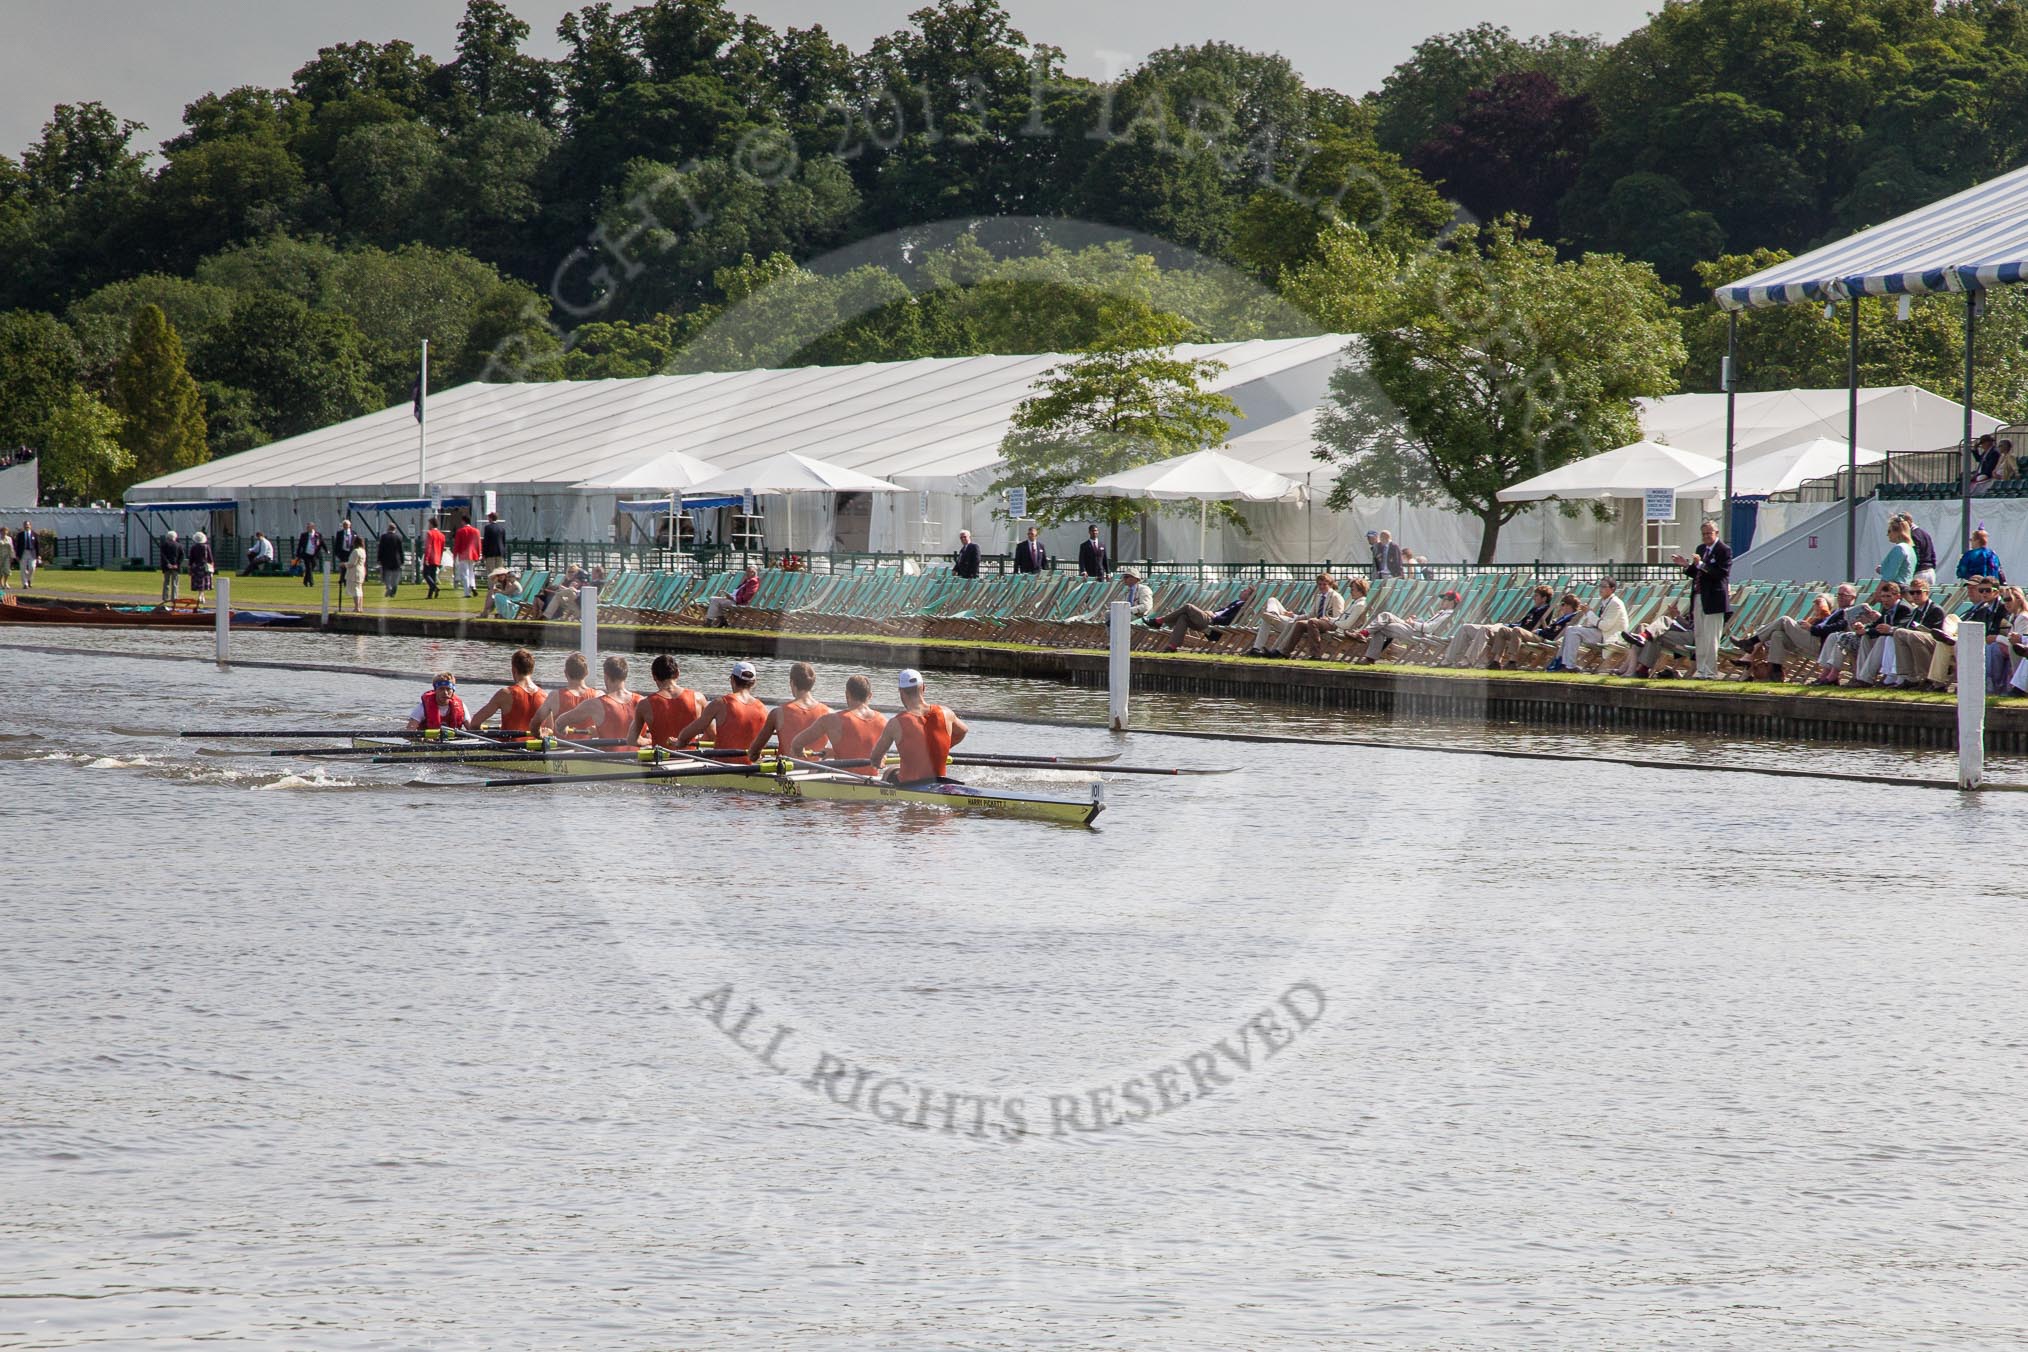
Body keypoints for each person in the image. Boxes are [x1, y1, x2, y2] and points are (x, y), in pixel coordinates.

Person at [867, 668, 968, 785]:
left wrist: (879, 762)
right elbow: (963, 731)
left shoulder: (895, 723)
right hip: (940, 782)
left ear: (901, 692)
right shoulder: (946, 713)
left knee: (889, 771)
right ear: (924, 687)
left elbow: (875, 758)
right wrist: (940, 749)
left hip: (909, 785)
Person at [1735, 588, 1846, 681]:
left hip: (1818, 644)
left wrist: (1811, 627)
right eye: (1815, 605)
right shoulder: (1816, 618)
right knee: (1777, 635)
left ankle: (1751, 642)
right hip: (1804, 643)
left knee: (1784, 620)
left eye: (1818, 604)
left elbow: (1830, 629)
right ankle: (1776, 672)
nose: (1815, 607)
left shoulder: (1837, 615)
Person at [788, 674, 888, 773]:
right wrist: (835, 753)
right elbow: (864, 749)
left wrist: (799, 751)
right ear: (870, 695)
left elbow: (796, 743)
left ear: (847, 694)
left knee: (813, 770)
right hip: (873, 782)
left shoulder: (831, 720)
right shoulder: (884, 721)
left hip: (843, 781)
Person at [675, 661, 769, 764]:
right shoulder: (763, 709)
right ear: (754, 682)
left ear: (732, 680)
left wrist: (679, 741)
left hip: (721, 766)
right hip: (750, 768)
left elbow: (686, 736)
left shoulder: (720, 703)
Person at [1672, 520, 1732, 679]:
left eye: (1709, 533)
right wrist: (1686, 565)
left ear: (1716, 533)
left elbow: (1720, 574)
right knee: (1700, 635)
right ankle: (1701, 669)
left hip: (1714, 599)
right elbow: (1697, 574)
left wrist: (1701, 564)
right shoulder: (1700, 549)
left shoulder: (1723, 550)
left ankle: (1711, 671)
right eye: (1704, 534)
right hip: (1698, 596)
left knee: (1711, 635)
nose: (1706, 536)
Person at [1447, 584, 1551, 668]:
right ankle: (1447, 660)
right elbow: (1522, 623)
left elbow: (1528, 627)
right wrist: (1506, 624)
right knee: (1465, 627)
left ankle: (1469, 660)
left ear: (1544, 598)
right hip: (1510, 628)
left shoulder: (1545, 610)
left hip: (1521, 633)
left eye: (1536, 596)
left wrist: (1508, 626)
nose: (1533, 598)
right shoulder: (1534, 609)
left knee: (1485, 629)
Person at [1864, 578, 1942, 687]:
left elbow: (1932, 632)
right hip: (1916, 639)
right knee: (1895, 634)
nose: (1915, 595)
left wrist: (1892, 630)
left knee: (1898, 634)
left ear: (1927, 593)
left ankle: (1901, 676)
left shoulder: (1935, 610)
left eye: (1918, 592)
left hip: (1933, 643)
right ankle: (1901, 676)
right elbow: (1904, 626)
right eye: (1912, 592)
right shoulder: (1916, 610)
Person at [748, 661, 831, 761]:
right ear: (812, 683)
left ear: (792, 683)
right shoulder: (829, 713)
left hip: (786, 772)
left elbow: (753, 753)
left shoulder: (777, 714)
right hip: (815, 773)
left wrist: (758, 757)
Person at [1358, 589, 1461, 664]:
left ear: (1452, 602)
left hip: (1419, 634)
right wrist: (1414, 621)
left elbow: (1429, 629)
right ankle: (1365, 639)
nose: (1442, 601)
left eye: (1445, 599)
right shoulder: (1443, 612)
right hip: (1414, 630)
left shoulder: (1448, 614)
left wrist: (1412, 623)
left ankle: (1368, 649)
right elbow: (1428, 625)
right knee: (1385, 617)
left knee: (1382, 625)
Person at [1249, 573, 1342, 657]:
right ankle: (1273, 616)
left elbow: (1338, 616)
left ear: (1330, 584)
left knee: (1287, 622)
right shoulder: (1319, 597)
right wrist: (1294, 616)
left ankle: (1269, 649)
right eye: (1319, 584)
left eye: (1324, 584)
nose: (1321, 587)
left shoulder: (1335, 597)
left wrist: (1328, 618)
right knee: (1272, 601)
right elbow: (1310, 615)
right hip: (1309, 622)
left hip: (1324, 624)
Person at [626, 654, 707, 749]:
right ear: (678, 673)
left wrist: (649, 741)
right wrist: (691, 741)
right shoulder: (698, 698)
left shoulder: (644, 704)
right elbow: (712, 735)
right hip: (692, 760)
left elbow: (632, 739)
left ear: (654, 677)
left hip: (661, 760)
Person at [1146, 584, 1257, 653]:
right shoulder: (1237, 602)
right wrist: (1212, 612)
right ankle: (1173, 646)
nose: (1242, 590)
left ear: (1250, 596)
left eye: (1246, 590)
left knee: (1188, 607)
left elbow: (1228, 621)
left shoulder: (1243, 607)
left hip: (1213, 625)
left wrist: (1212, 615)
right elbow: (1221, 612)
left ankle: (1159, 621)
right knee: (1183, 617)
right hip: (1209, 619)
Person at [556, 655, 641, 742]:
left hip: (606, 755)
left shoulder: (594, 705)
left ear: (606, 676)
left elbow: (559, 723)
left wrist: (563, 730)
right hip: (635, 755)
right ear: (625, 675)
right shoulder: (641, 702)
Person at [1551, 577, 1629, 673]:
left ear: (1612, 589)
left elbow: (1605, 626)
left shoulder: (1615, 603)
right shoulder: (1606, 602)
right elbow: (1599, 623)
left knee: (1573, 630)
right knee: (1571, 629)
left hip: (1610, 636)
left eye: (1604, 586)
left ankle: (1567, 665)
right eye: (1600, 586)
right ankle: (1562, 662)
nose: (1601, 589)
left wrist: (1589, 613)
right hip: (1602, 633)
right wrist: (1588, 614)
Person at [1284, 578, 1372, 660]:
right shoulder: (1355, 603)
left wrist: (1331, 621)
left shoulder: (1359, 605)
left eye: (1352, 589)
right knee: (1300, 624)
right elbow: (1342, 618)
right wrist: (1330, 619)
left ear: (1360, 591)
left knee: (1312, 622)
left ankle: (1315, 654)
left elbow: (1347, 625)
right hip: (1337, 624)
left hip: (1341, 628)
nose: (1350, 592)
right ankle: (1286, 652)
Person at [1843, 582, 1911, 687]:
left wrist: (1868, 630)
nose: (1885, 599)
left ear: (1898, 595)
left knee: (1882, 639)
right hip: (1888, 641)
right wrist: (1863, 628)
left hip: (1900, 642)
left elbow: (1897, 627)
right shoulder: (1886, 608)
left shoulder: (1904, 608)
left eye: (1888, 596)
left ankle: (1866, 678)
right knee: (1866, 637)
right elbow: (1876, 624)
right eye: (1883, 596)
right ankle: (1861, 677)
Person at [467, 648, 546, 735]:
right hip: (536, 747)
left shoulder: (505, 694)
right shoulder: (545, 696)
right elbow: (550, 730)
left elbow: (474, 723)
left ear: (513, 670)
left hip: (509, 746)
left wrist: (485, 735)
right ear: (532, 670)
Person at [529, 652, 596, 735]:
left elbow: (534, 725)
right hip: (589, 747)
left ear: (565, 673)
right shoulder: (598, 695)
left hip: (561, 747)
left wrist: (542, 735)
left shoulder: (554, 696)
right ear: (587, 672)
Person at [1628, 601, 1693, 677]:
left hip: (1695, 637)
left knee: (1657, 630)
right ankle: (1637, 669)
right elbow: (1687, 624)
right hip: (1686, 633)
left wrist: (1676, 616)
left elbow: (1693, 627)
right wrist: (1676, 615)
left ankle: (1643, 637)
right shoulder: (1697, 603)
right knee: (1650, 629)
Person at [1070, 567, 1152, 623]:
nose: (1124, 579)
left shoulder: (1144, 590)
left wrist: (1129, 610)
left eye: (1127, 577)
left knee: (1117, 617)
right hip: (1126, 613)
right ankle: (1112, 638)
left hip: (1138, 616)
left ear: (1135, 579)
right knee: (1109, 613)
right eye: (1124, 577)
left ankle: (1120, 637)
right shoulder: (1127, 591)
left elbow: (1146, 606)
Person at [1877, 516, 1916, 585]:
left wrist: (1877, 592)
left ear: (1898, 532)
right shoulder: (1910, 549)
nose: (1887, 534)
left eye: (1889, 531)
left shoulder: (1899, 548)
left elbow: (1889, 576)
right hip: (1907, 586)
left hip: (1897, 588)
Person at [1901, 514, 1938, 587]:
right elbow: (1933, 554)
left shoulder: (1913, 535)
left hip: (1919, 573)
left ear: (1909, 521)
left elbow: (1915, 556)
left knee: (1915, 597)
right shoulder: (1925, 533)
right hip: (1930, 572)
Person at [451, 514, 482, 596]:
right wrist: (478, 554)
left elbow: (457, 545)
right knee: (471, 572)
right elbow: (478, 544)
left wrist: (454, 555)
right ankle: (473, 586)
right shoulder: (476, 531)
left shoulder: (460, 531)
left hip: (463, 554)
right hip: (473, 554)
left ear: (463, 521)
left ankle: (467, 592)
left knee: (465, 573)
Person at [421, 516, 446, 599]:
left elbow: (429, 546)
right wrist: (440, 558)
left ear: (431, 524)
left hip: (431, 557)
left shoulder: (430, 533)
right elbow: (442, 548)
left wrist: (426, 558)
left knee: (426, 574)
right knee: (432, 576)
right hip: (437, 557)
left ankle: (434, 587)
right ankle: (430, 595)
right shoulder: (442, 535)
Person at [377, 523, 404, 598]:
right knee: (395, 577)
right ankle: (393, 592)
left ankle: (388, 586)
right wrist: (402, 560)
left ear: (388, 528)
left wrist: (379, 558)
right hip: (396, 560)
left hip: (386, 560)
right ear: (395, 529)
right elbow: (401, 550)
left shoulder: (384, 537)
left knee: (386, 576)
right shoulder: (399, 537)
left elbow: (381, 549)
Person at [186, 530, 214, 605]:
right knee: (203, 582)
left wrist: (190, 569)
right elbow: (210, 558)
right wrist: (212, 567)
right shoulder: (206, 546)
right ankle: (201, 596)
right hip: (204, 566)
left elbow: (191, 559)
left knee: (199, 583)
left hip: (196, 566)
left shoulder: (193, 547)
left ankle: (201, 595)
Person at [158, 529, 185, 604]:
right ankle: (174, 598)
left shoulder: (164, 545)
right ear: (175, 537)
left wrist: (168, 563)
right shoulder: (179, 545)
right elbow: (182, 556)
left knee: (166, 582)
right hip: (176, 567)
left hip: (167, 567)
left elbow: (163, 556)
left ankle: (165, 598)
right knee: (175, 583)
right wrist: (177, 564)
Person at [480, 511, 509, 580]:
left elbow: (486, 541)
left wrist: (484, 553)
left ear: (490, 518)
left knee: (491, 572)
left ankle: (492, 588)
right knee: (499, 572)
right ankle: (499, 587)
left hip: (490, 552)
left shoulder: (488, 528)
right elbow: (503, 542)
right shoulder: (502, 528)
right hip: (500, 552)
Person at [294, 521, 323, 586]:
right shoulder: (303, 535)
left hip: (313, 554)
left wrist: (326, 550)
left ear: (312, 527)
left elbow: (321, 543)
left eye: (308, 527)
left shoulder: (317, 535)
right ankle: (311, 582)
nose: (307, 528)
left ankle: (305, 579)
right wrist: (298, 554)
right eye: (307, 527)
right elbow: (300, 545)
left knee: (313, 565)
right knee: (309, 567)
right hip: (306, 554)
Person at [344, 538, 367, 613]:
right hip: (361, 571)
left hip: (355, 572)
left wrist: (344, 564)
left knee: (355, 590)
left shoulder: (356, 551)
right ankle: (360, 607)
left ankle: (357, 607)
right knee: (359, 589)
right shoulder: (363, 551)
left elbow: (352, 563)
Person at [15, 521, 35, 588]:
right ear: (23, 526)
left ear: (30, 526)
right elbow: (17, 545)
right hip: (23, 553)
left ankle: (28, 579)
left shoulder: (34, 534)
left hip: (32, 553)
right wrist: (17, 555)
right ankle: (25, 584)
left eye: (28, 525)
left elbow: (37, 545)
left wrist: (39, 555)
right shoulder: (20, 535)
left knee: (32, 568)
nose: (27, 526)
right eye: (25, 525)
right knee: (23, 569)